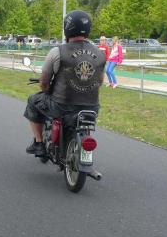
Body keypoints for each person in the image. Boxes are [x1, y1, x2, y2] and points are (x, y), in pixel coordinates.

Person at [23, 10, 106, 157]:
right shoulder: (100, 54)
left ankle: (39, 143)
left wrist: (48, 90)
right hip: (92, 108)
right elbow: (100, 81)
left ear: (67, 28)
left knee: (33, 101)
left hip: (62, 107)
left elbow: (44, 82)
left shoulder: (57, 51)